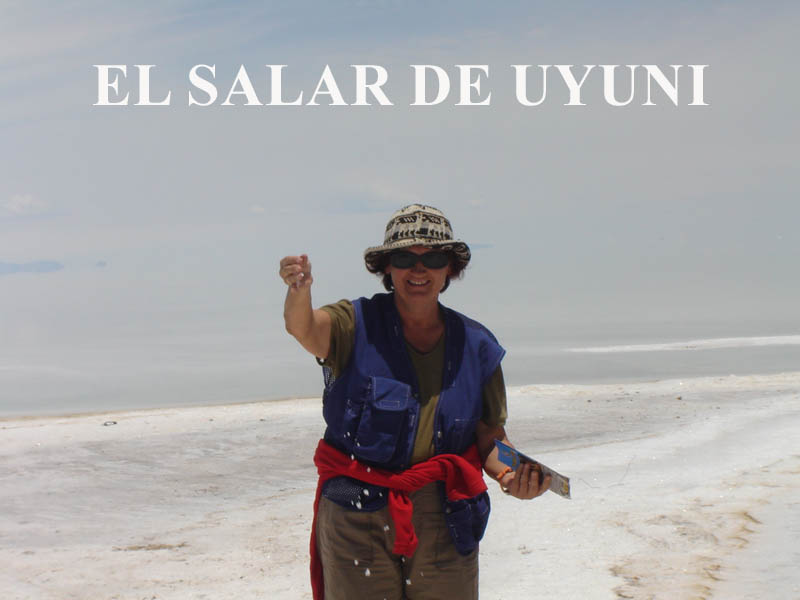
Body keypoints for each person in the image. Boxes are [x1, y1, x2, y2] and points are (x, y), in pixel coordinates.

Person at [279, 204, 551, 600]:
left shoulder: (477, 346)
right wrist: (298, 292)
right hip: (356, 510)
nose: (418, 271)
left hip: (444, 514)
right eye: (404, 258)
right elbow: (303, 328)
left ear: (450, 269)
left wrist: (513, 476)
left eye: (433, 259)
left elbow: (491, 438)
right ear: (387, 268)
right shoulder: (354, 322)